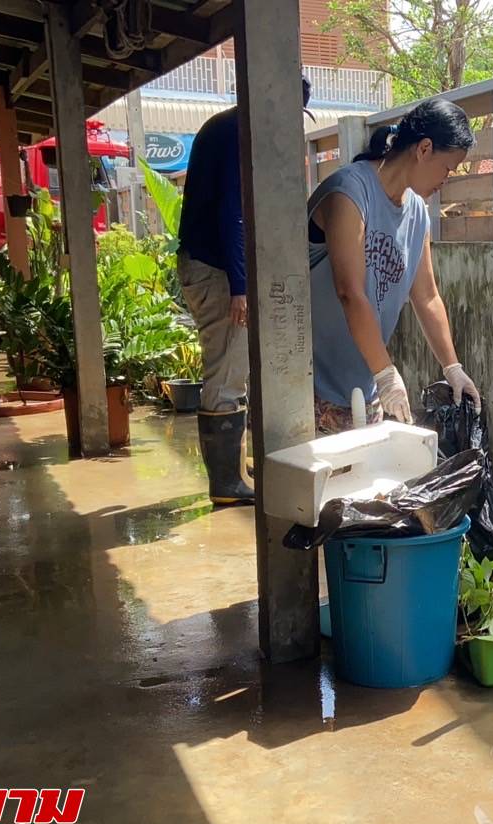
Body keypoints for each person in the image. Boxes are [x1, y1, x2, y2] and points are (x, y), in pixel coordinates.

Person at [307, 97, 482, 436]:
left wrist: (453, 367)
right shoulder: (350, 192)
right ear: (425, 148)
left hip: (363, 387)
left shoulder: (417, 212)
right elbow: (350, 292)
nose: (447, 179)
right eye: (448, 168)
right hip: (310, 388)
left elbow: (427, 296)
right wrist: (386, 373)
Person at [177, 78, 312, 506]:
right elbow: (233, 214)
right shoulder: (239, 133)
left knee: (231, 365)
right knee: (227, 369)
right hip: (216, 270)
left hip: (207, 264)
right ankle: (226, 484)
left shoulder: (224, 126)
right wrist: (240, 286)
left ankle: (233, 471)